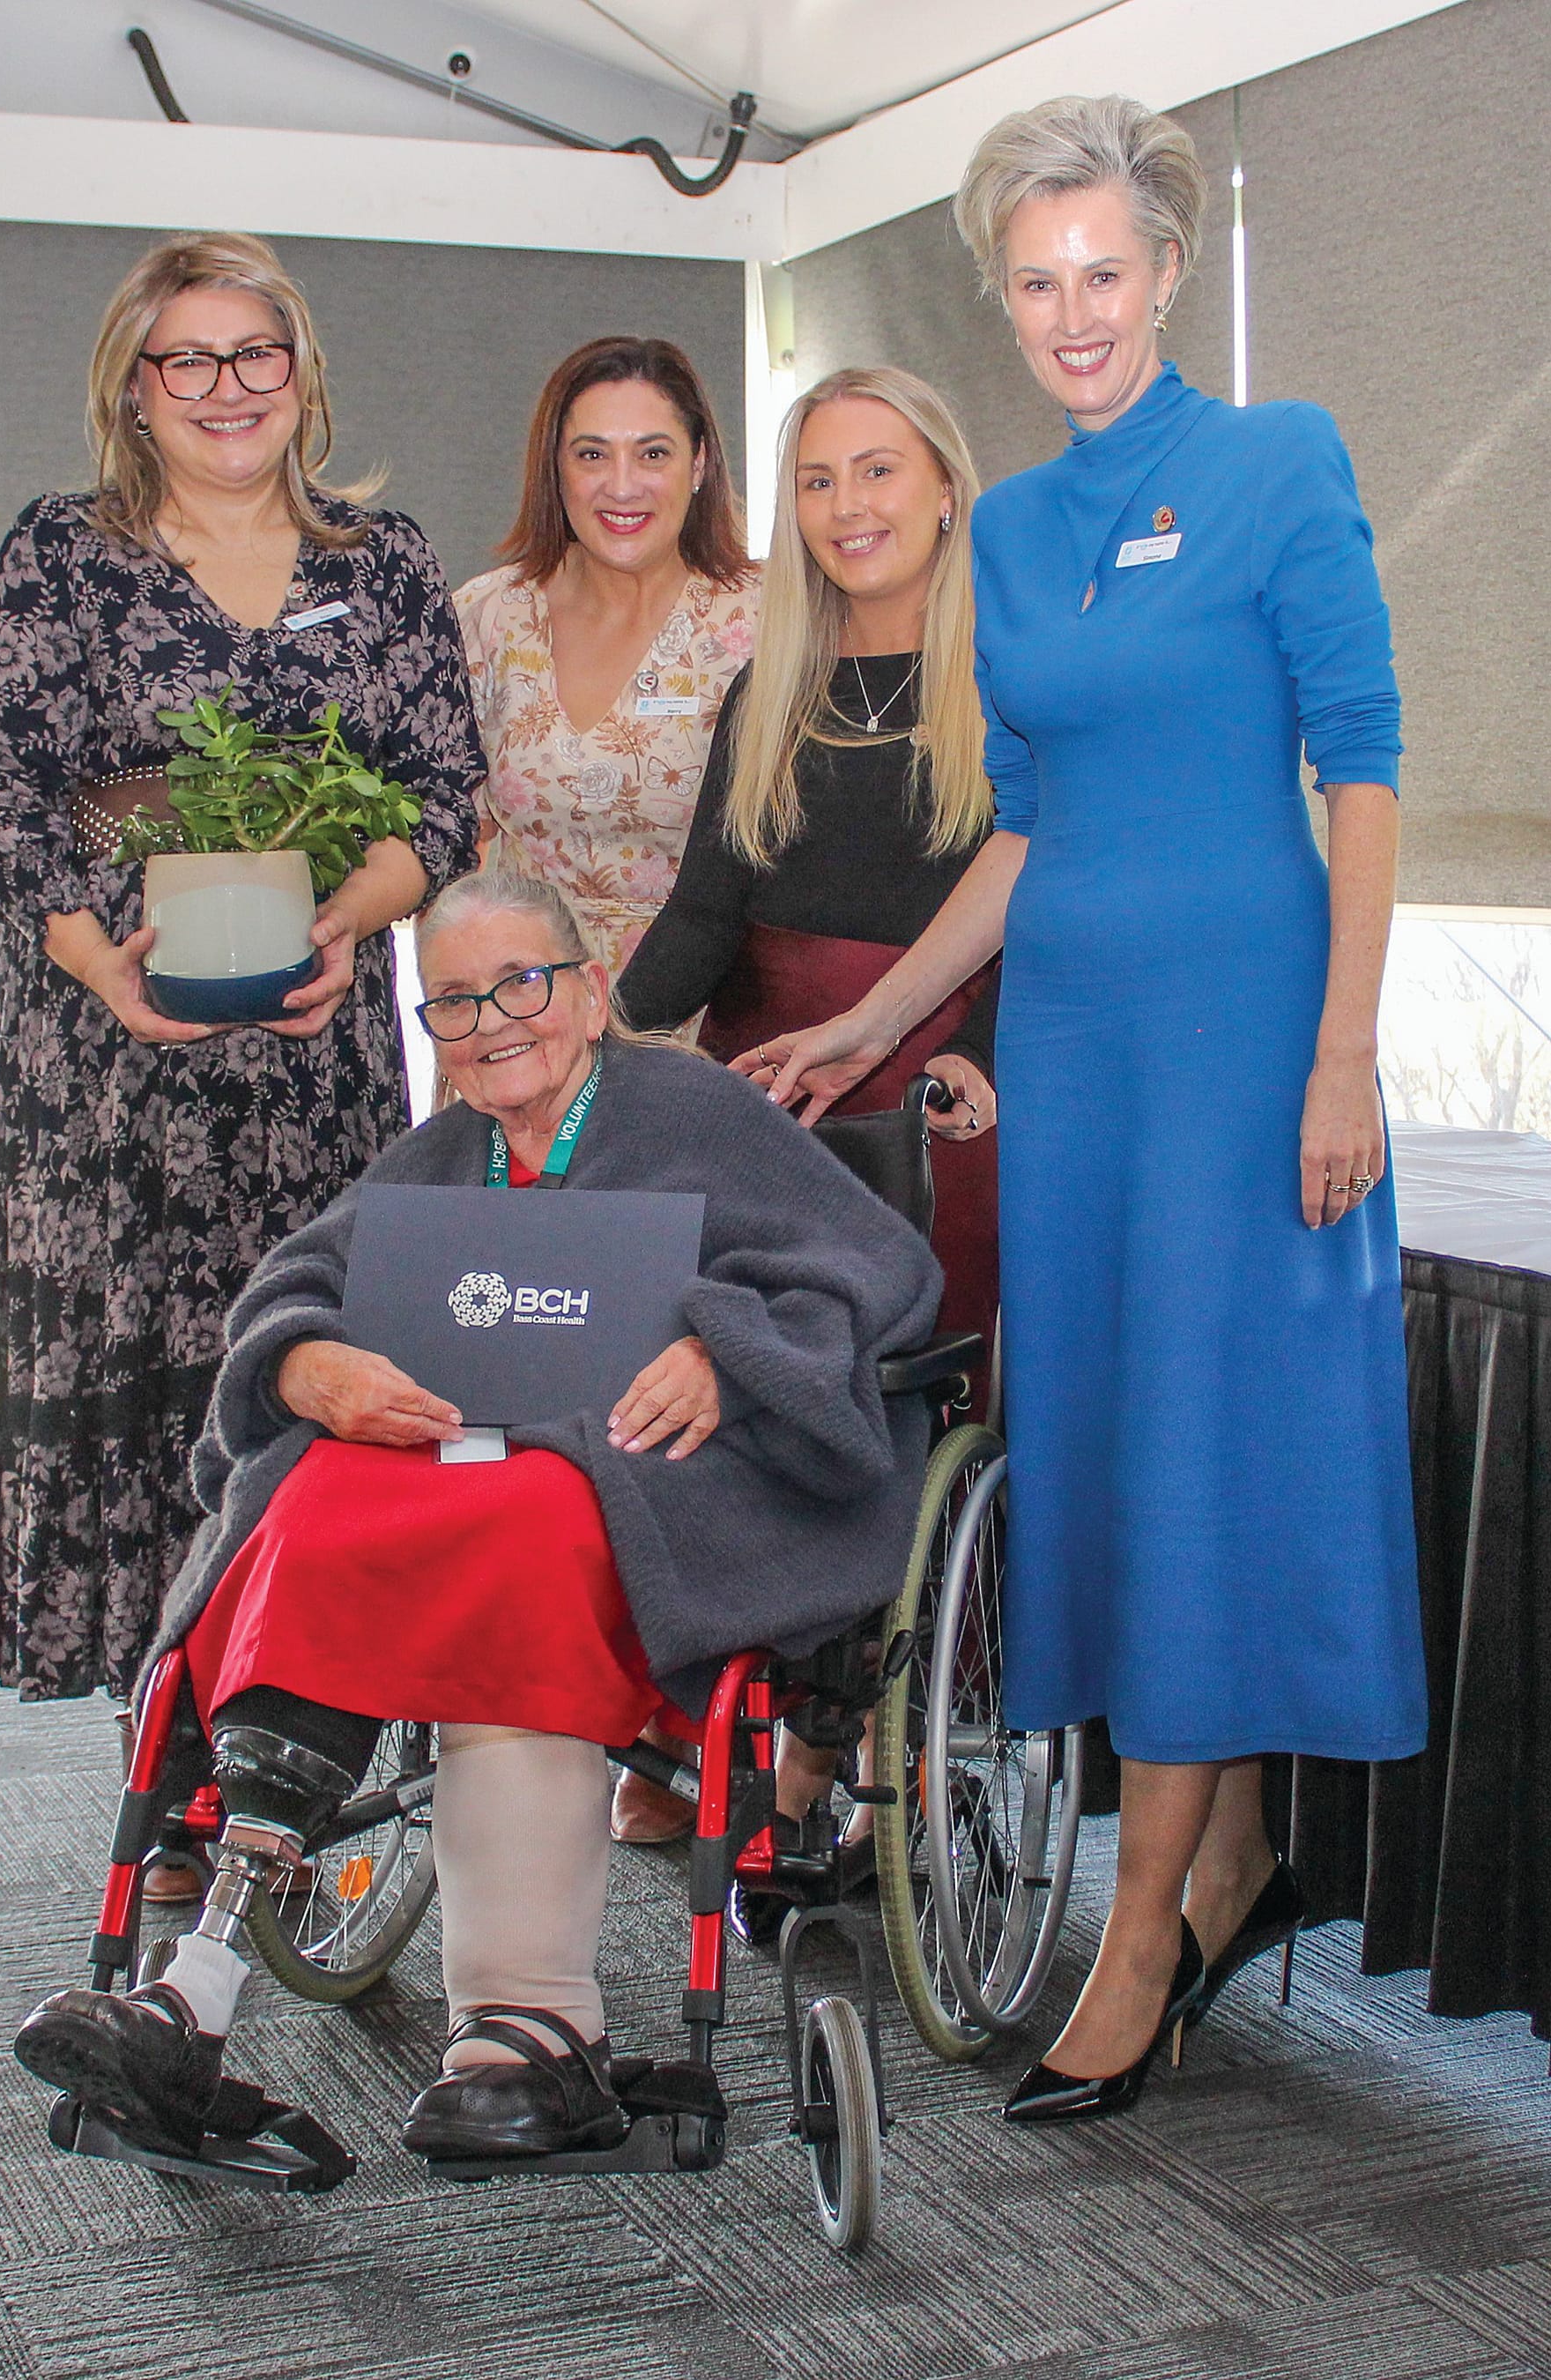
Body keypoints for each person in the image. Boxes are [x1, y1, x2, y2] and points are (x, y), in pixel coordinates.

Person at [746, 93, 1427, 2123]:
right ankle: (1214, 1861)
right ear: (1002, 297)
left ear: (1168, 270)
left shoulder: (1276, 457)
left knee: (1210, 1466)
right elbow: (1025, 833)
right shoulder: (1017, 530)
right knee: (1116, 1464)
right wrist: (867, 1012)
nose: (1073, 312)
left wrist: (1344, 1046)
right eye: (1035, 281)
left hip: (1242, 1052)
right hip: (1074, 1059)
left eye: (1104, 273)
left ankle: (1140, 1938)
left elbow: (1365, 766)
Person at [12, 869, 940, 2161]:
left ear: (590, 989)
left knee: (534, 1517)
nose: (495, 1021)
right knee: (322, 1491)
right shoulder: (442, 1151)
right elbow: (299, 1282)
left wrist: (733, 1348)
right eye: (454, 1002)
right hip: (471, 1467)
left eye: (523, 984)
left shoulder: (693, 1108)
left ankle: (533, 2028)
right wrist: (301, 1367)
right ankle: (194, 1990)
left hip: (656, 1479)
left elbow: (876, 1266)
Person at [0, 231, 483, 1717]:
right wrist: (94, 966)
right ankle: (166, 1796)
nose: (227, 386)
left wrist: (346, 921)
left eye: (258, 353)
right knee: (152, 1418)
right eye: (189, 357)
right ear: (133, 386)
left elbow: (441, 793)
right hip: (104, 1075)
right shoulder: (61, 554)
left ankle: (288, 1782)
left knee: (310, 1393)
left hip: (314, 1068)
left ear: (302, 375)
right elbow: (0, 797)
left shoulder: (385, 566)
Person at [615, 364, 999, 1844]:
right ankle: (756, 1721)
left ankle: (867, 1732)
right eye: (819, 480)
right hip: (760, 1088)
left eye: (879, 471)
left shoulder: (1005, 681)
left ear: (945, 486)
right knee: (727, 1389)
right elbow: (704, 915)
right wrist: (587, 1028)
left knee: (886, 1405)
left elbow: (1047, 904)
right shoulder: (764, 690)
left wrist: (996, 1065)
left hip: (937, 1085)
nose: (848, 509)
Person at [454, 337, 758, 977]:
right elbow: (455, 849)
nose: (622, 486)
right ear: (555, 468)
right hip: (521, 1014)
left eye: (652, 453)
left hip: (711, 1016)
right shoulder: (487, 618)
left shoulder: (770, 621)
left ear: (699, 465)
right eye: (592, 454)